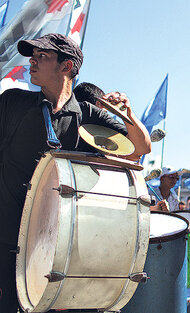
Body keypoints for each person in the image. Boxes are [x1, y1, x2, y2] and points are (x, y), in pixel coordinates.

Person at [0, 33, 151, 312]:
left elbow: (139, 148)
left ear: (66, 66)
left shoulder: (86, 115)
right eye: (33, 55)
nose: (32, 60)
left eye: (42, 56)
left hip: (50, 244)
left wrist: (126, 113)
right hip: (5, 236)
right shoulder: (12, 102)